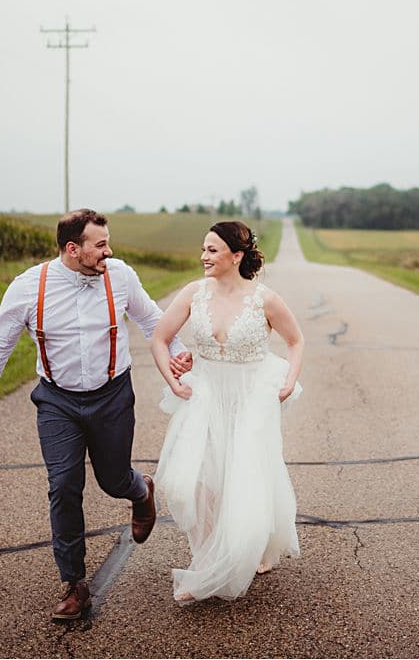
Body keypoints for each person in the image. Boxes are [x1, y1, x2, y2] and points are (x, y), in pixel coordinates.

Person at [0, 209, 192, 621]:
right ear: (74, 249)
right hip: (57, 401)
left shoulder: (119, 275)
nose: (109, 250)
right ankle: (75, 585)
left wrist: (177, 355)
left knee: (113, 478)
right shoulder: (29, 286)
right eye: (100, 244)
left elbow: (151, 320)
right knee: (64, 485)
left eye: (108, 243)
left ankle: (141, 491)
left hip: (112, 394)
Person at [151, 220, 305, 603]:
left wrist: (289, 380)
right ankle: (205, 564)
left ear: (236, 256)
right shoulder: (192, 293)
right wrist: (172, 378)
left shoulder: (264, 299)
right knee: (197, 482)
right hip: (204, 393)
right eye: (203, 249)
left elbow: (296, 340)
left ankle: (255, 548)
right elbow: (159, 338)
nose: (204, 257)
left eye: (213, 250)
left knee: (247, 476)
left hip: (252, 394)